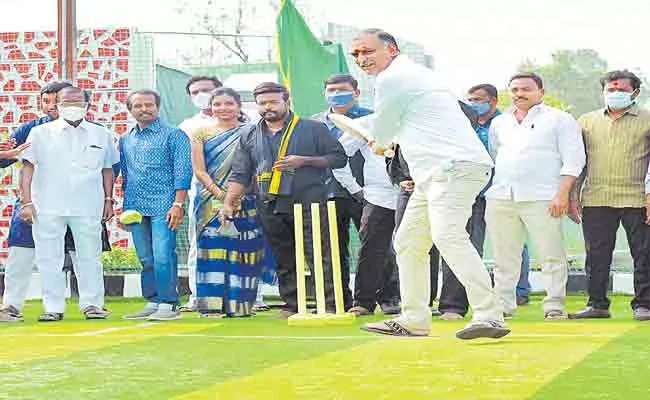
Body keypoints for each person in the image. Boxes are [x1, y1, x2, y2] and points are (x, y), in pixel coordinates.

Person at [351, 29, 507, 339]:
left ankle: (490, 314)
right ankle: (414, 318)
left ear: (391, 50)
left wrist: (381, 143)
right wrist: (388, 141)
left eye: (367, 51)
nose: (361, 59)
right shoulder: (414, 76)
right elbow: (406, 126)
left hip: (453, 168)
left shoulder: (393, 78)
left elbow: (382, 130)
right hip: (433, 174)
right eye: (356, 54)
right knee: (408, 242)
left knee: (447, 235)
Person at [222, 82, 347, 318]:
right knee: (283, 255)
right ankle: (292, 304)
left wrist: (305, 161)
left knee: (320, 254)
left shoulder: (313, 128)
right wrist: (229, 202)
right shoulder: (249, 133)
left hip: (309, 200)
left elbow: (338, 158)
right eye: (262, 103)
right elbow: (240, 172)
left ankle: (330, 304)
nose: (268, 107)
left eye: (273, 102)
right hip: (269, 201)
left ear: (286, 102)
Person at [487, 73, 585, 320]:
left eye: (526, 89)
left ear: (540, 91)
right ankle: (503, 306)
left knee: (551, 254)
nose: (520, 94)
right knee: (504, 257)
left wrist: (562, 195)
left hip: (544, 197)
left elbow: (574, 160)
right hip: (502, 195)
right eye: (515, 89)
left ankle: (554, 305)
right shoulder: (500, 122)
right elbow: (495, 155)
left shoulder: (559, 120)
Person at [19, 86, 117, 322]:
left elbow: (107, 169)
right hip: (48, 205)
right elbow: (27, 168)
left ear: (87, 105)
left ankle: (93, 305)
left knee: (90, 256)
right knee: (48, 257)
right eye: (65, 102)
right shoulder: (40, 133)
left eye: (76, 102)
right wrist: (26, 202)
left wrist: (108, 199)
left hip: (88, 205)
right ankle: (53, 307)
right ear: (57, 105)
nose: (71, 107)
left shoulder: (100, 134)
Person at [314, 73, 400, 315]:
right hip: (345, 194)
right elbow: (339, 158)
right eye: (331, 90)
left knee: (390, 248)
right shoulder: (319, 122)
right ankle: (354, 301)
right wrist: (355, 188)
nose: (336, 95)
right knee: (351, 249)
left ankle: (391, 298)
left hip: (395, 193)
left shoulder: (377, 120)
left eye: (342, 89)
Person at [569, 70, 650, 321]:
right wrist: (573, 196)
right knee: (596, 255)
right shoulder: (586, 121)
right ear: (603, 92)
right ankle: (597, 304)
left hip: (638, 198)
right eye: (610, 90)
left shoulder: (647, 119)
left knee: (644, 254)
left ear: (635, 92)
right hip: (596, 197)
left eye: (622, 90)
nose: (615, 94)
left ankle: (644, 305)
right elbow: (577, 161)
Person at [190, 87, 267, 317]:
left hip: (246, 199)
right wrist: (221, 195)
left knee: (243, 251)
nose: (223, 109)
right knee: (212, 252)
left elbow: (257, 166)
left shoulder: (252, 132)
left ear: (238, 106)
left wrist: (237, 196)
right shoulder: (200, 133)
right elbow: (199, 170)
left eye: (229, 104)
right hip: (209, 201)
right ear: (211, 107)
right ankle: (211, 306)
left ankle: (240, 306)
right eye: (218, 104)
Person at [0, 81, 71, 322]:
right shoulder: (30, 129)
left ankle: (90, 306)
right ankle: (11, 306)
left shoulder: (93, 131)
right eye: (45, 101)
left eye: (56, 101)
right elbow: (6, 158)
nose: (50, 107)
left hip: (76, 203)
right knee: (20, 252)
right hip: (33, 202)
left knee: (83, 255)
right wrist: (4, 153)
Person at [120, 89, 193, 321]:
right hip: (135, 207)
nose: (144, 109)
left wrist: (178, 204)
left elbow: (183, 171)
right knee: (146, 258)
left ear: (157, 107)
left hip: (166, 204)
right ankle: (153, 300)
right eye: (138, 106)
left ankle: (169, 303)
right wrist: (125, 209)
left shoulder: (175, 135)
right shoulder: (125, 139)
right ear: (130, 110)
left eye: (149, 105)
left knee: (163, 255)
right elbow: (126, 175)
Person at [178, 76, 223, 312]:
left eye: (206, 90)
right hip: (202, 192)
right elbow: (184, 164)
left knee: (244, 242)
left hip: (240, 191)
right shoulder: (187, 126)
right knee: (199, 244)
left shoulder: (245, 120)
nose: (201, 95)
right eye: (195, 92)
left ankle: (251, 297)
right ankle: (198, 297)